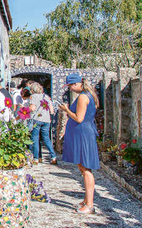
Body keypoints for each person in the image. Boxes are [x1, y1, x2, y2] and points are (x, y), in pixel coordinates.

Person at [59, 74, 100, 213]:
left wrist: (66, 110)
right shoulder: (89, 95)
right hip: (83, 133)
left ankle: (90, 205)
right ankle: (86, 201)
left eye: (70, 86)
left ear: (77, 84)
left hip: (83, 134)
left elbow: (79, 118)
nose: (69, 88)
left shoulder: (83, 97)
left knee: (86, 169)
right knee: (83, 169)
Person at [26, 88, 56, 164]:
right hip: (46, 120)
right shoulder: (46, 96)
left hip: (37, 119)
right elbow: (52, 110)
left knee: (35, 138)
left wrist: (25, 108)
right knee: (46, 138)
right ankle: (53, 157)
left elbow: (32, 109)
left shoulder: (33, 96)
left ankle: (36, 158)